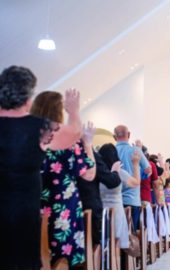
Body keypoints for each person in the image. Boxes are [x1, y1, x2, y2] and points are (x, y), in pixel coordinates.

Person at [0, 66, 81, 269]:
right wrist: (73, 111)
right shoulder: (40, 128)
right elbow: (74, 133)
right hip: (23, 214)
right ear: (28, 98)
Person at [31, 91, 96, 267]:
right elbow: (89, 174)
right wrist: (88, 143)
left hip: (31, 210)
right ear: (59, 112)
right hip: (62, 211)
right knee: (62, 259)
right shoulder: (66, 143)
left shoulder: (25, 138)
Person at [98, 143, 141, 249]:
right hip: (116, 213)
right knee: (116, 243)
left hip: (99, 212)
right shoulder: (120, 173)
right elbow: (136, 183)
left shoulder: (97, 173)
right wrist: (135, 164)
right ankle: (117, 263)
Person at [78, 149, 121, 246]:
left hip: (69, 208)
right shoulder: (88, 153)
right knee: (93, 247)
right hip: (89, 208)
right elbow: (111, 181)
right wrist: (115, 171)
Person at [114, 125, 150, 230]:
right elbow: (148, 170)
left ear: (114, 137)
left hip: (116, 199)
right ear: (129, 135)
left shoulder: (111, 151)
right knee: (131, 233)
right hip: (132, 198)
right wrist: (140, 173)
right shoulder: (136, 151)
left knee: (115, 234)